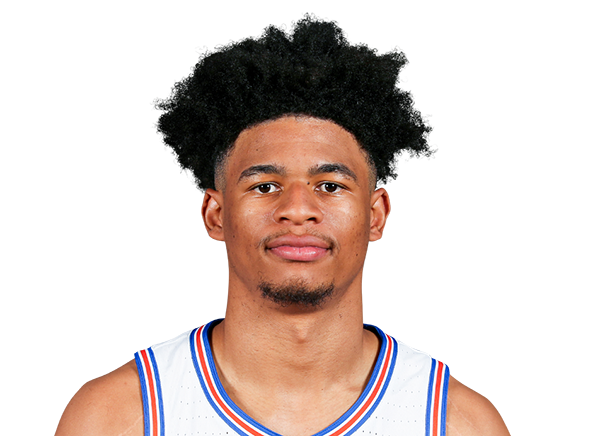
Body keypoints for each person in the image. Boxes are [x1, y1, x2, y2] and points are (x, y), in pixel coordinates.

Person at [56, 14, 509, 436]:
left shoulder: (457, 424)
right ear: (216, 215)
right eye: (265, 186)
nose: (297, 209)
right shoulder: (117, 418)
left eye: (330, 185)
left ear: (376, 215)